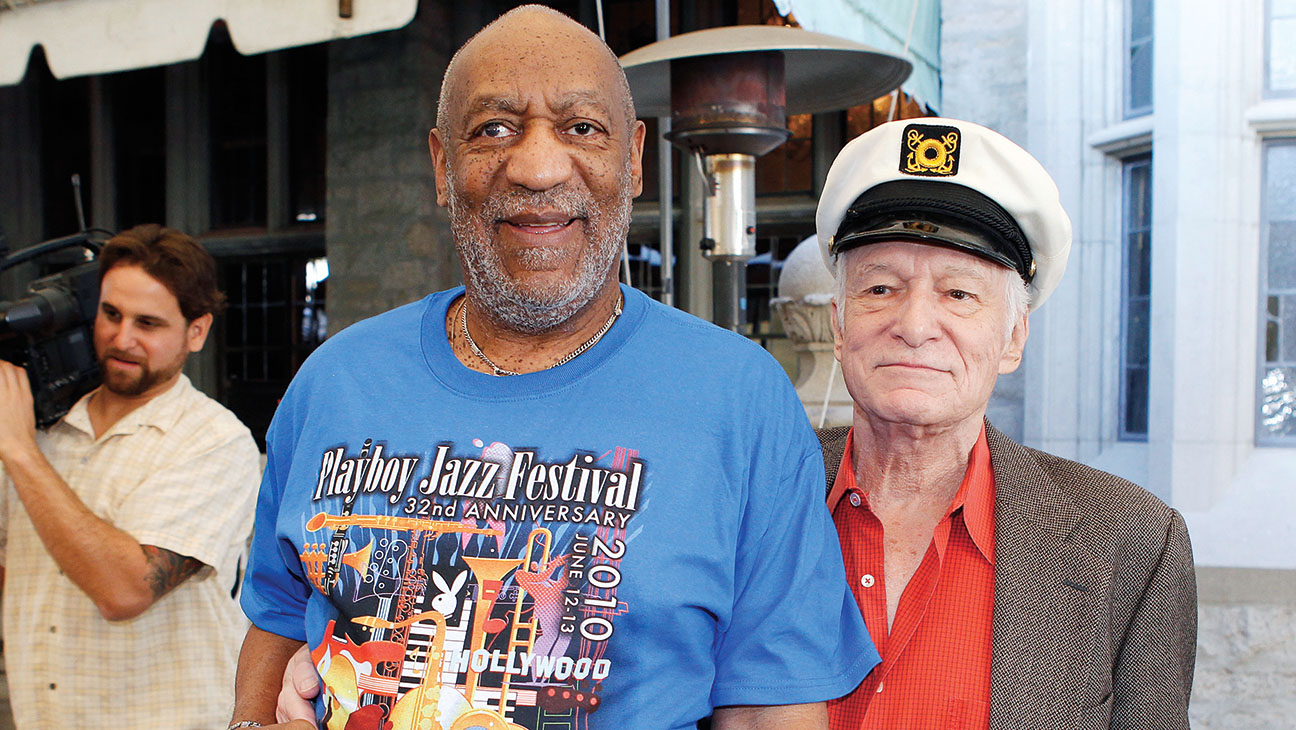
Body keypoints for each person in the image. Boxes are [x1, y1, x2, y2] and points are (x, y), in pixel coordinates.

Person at [229, 6, 875, 730]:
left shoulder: (741, 402)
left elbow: (771, 710)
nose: (538, 167)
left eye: (581, 128)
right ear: (444, 167)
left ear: (632, 161)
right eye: (494, 129)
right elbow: (280, 615)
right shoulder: (334, 384)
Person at [814, 117, 1197, 729]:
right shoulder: (755, 492)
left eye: (959, 294)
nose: (914, 325)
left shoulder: (1131, 545)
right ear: (839, 325)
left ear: (1014, 336)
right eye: (881, 287)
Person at [0, 224, 262, 729]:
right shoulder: (45, 428)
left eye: (148, 323)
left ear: (197, 331)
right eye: (111, 314)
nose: (122, 339)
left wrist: (19, 452)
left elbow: (126, 591)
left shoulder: (213, 441)